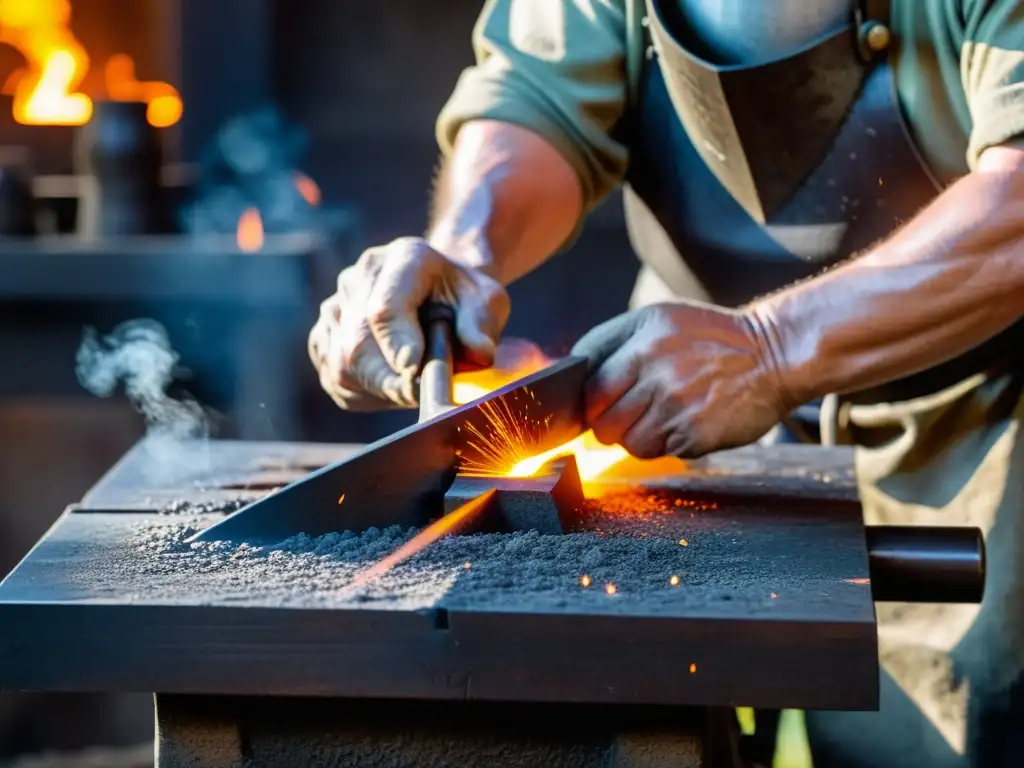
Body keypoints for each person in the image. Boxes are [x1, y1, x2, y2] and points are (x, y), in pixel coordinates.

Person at [307, 1, 1024, 765]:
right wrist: (463, 255)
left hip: (973, 406)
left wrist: (771, 349)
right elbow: (540, 97)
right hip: (675, 385)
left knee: (945, 736)